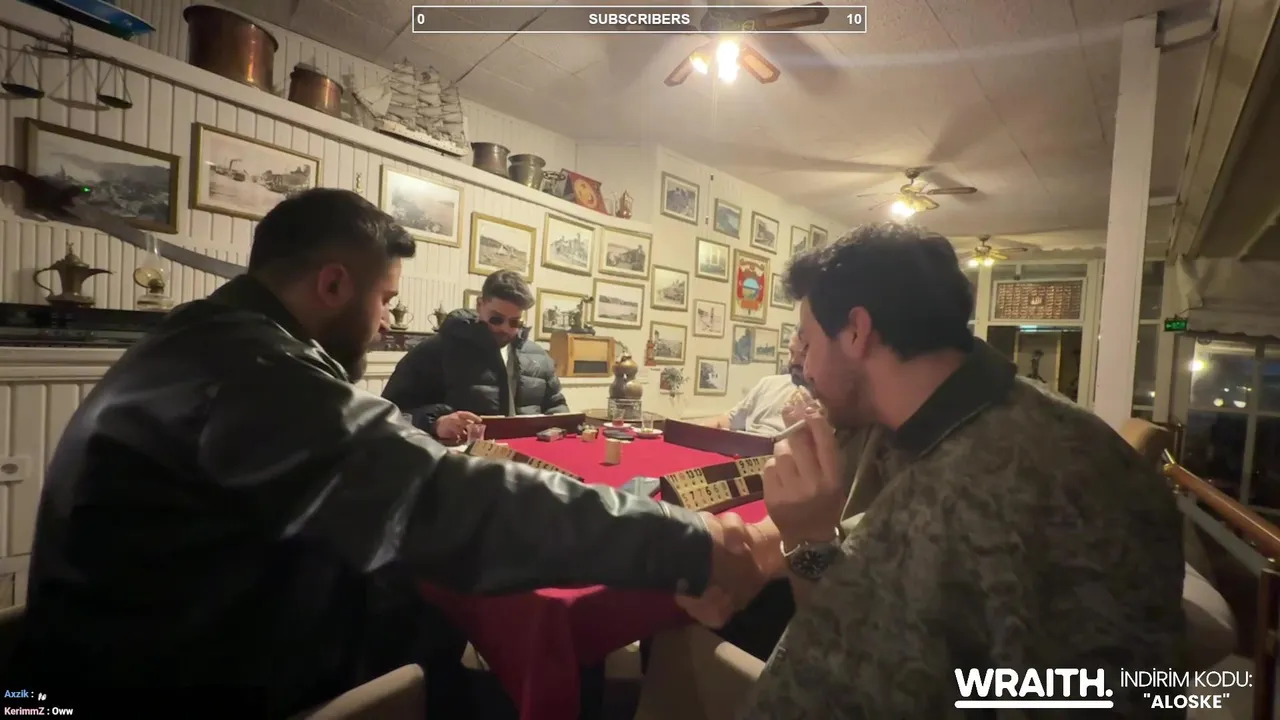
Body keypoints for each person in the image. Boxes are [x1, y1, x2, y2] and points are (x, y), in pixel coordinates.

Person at [13, 189, 764, 718]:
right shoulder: (255, 370)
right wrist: (692, 544)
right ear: (333, 283)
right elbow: (443, 498)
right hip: (169, 684)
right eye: (383, 301)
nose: (382, 324)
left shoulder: (205, 340)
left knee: (441, 614)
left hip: (152, 649)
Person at [727, 224, 1183, 717]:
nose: (806, 369)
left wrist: (807, 543)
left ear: (856, 331)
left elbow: (834, 688)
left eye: (809, 341)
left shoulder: (1013, 487)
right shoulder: (940, 421)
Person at [382, 270, 568, 443]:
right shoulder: (434, 350)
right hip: (460, 462)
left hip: (527, 460)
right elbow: (390, 414)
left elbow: (556, 407)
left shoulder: (538, 356)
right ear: (480, 305)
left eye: (514, 322)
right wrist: (435, 423)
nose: (505, 328)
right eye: (496, 319)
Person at [703, 332, 808, 437]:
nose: (793, 361)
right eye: (791, 352)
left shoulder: (816, 401)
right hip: (745, 444)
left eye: (803, 355)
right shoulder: (768, 384)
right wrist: (698, 432)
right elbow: (728, 420)